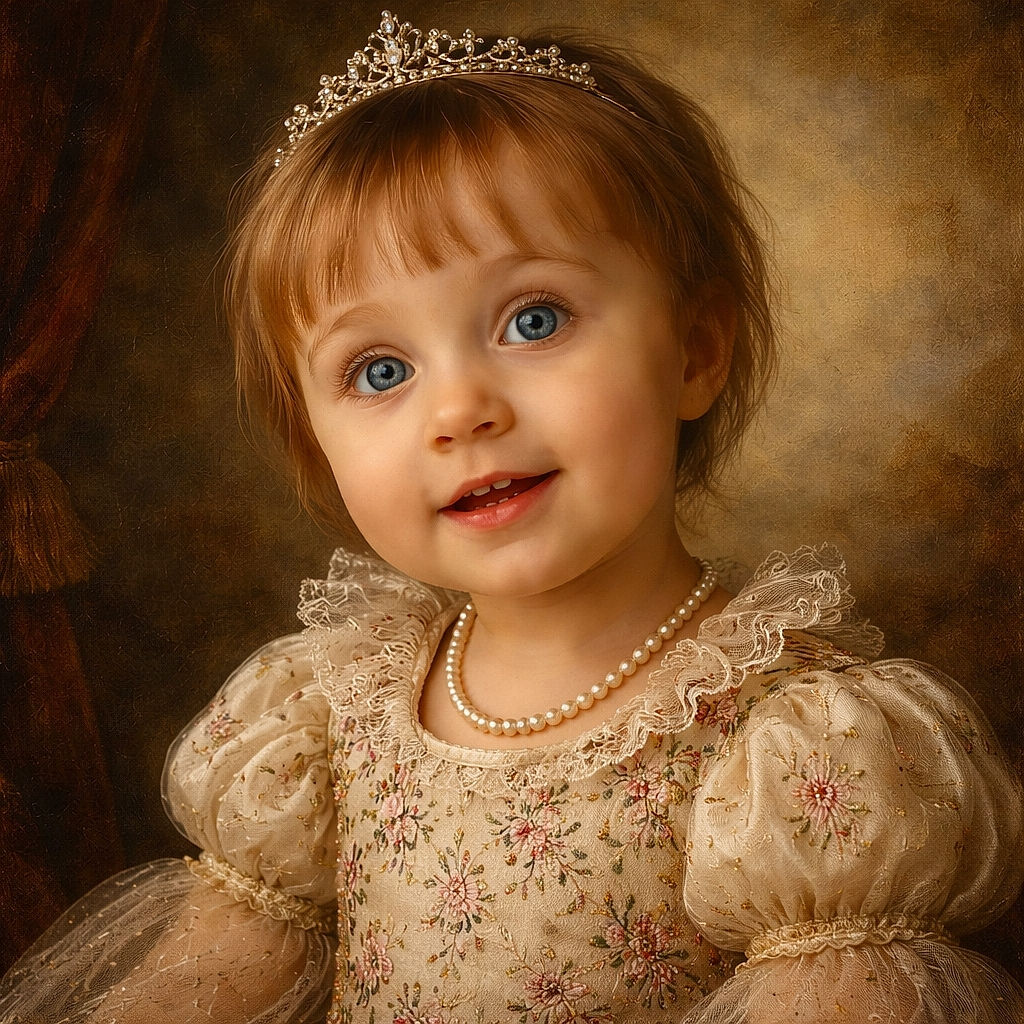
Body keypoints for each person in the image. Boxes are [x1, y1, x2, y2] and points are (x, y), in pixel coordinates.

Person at [2, 10, 1021, 1023]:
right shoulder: (324, 716)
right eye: (380, 370)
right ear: (315, 442)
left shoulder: (795, 747)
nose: (459, 412)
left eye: (533, 319)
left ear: (695, 351)